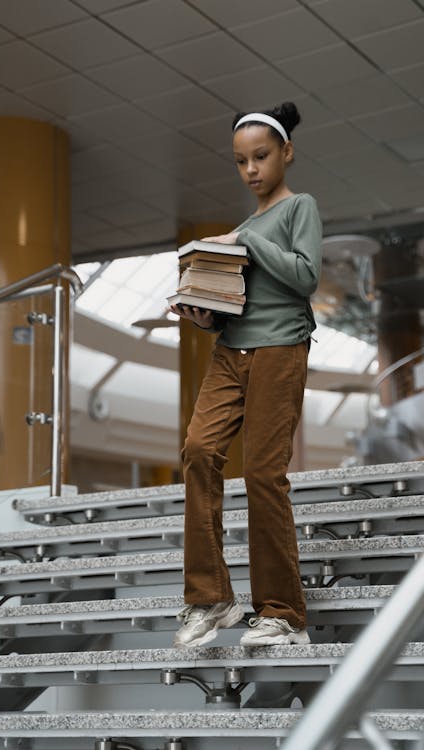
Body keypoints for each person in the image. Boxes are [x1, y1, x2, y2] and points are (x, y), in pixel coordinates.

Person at [169, 101, 323, 648]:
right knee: (198, 451)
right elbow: (241, 301)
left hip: (281, 349)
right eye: (240, 161)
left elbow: (304, 276)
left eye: (260, 156)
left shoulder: (297, 208)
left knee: (262, 473)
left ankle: (283, 613)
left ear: (286, 152)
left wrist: (248, 243)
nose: (251, 169)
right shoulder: (240, 230)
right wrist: (203, 313)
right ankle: (210, 598)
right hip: (231, 353)